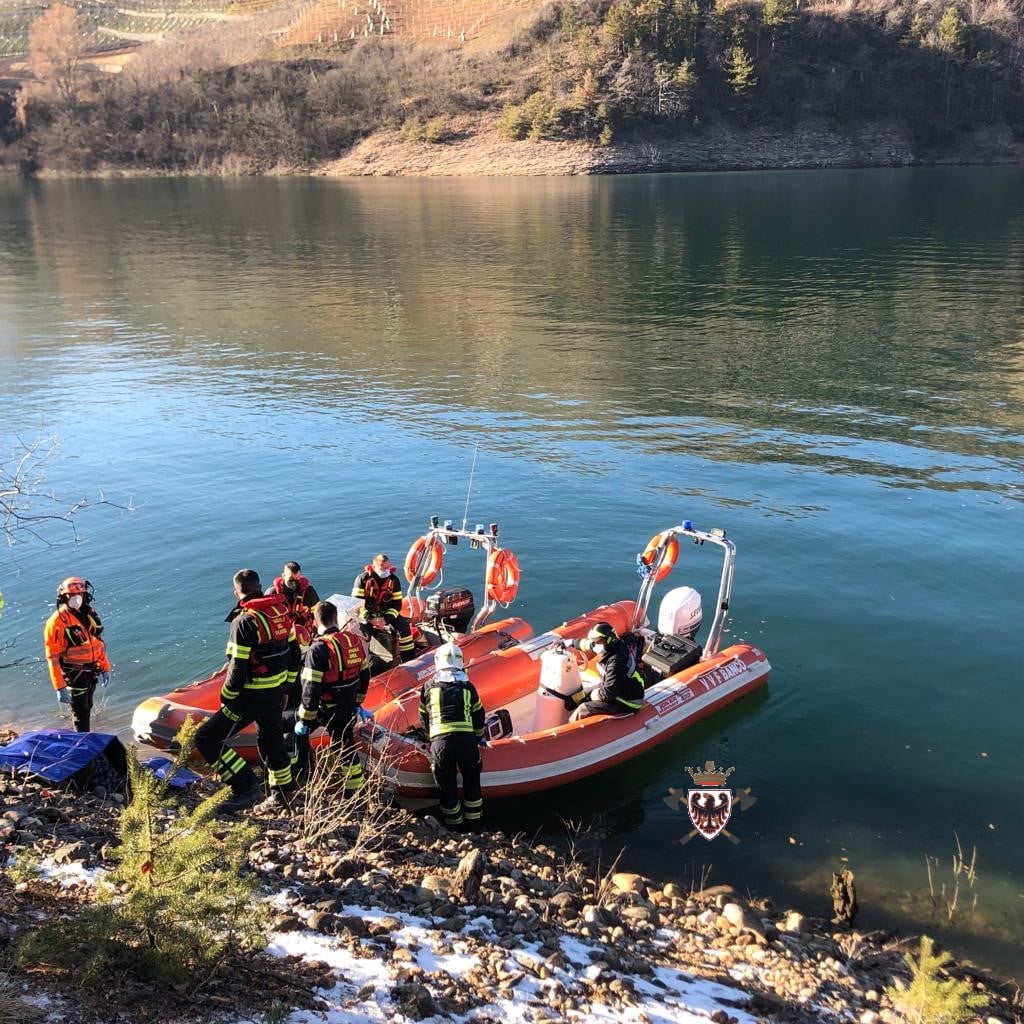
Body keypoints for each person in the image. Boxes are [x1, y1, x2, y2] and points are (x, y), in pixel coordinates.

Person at [194, 568, 300, 815]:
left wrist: (227, 698)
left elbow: (238, 667)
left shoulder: (244, 621)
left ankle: (246, 787)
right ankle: (283, 792)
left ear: (236, 592)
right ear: (260, 586)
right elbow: (295, 654)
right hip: (276, 692)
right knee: (271, 739)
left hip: (251, 695)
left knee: (207, 738)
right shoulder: (281, 612)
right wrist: (286, 688)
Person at [293, 600, 370, 795]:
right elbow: (365, 676)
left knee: (293, 732)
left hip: (327, 707)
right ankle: (354, 792)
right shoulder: (354, 642)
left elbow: (311, 687)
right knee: (345, 745)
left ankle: (302, 777)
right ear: (336, 618)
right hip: (348, 706)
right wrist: (357, 703)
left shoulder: (318, 649)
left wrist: (305, 719)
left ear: (315, 621)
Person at [418, 642, 485, 830]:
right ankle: (475, 827)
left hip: (441, 744)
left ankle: (454, 829)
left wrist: (428, 738)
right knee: (472, 784)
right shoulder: (468, 687)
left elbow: (423, 716)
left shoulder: (428, 687)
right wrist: (478, 738)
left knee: (446, 787)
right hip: (466, 743)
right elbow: (479, 715)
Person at [43, 577, 111, 732]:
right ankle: (81, 744)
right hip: (74, 673)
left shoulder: (89, 614)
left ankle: (84, 740)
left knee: (88, 707)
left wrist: (105, 667)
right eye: (72, 595)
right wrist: (59, 687)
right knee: (80, 712)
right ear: (64, 597)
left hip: (91, 670)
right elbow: (52, 657)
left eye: (80, 594)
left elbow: (97, 643)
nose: (77, 599)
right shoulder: (57, 622)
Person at [565, 621, 646, 722]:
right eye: (595, 641)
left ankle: (571, 729)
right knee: (581, 694)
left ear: (608, 640)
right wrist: (570, 643)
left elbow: (608, 693)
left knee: (583, 709)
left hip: (627, 701)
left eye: (598, 642)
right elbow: (589, 645)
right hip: (619, 689)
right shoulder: (613, 645)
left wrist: (589, 696)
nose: (595, 645)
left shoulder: (616, 662)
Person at [352, 553, 415, 663]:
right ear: (374, 567)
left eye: (388, 567)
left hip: (386, 614)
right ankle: (366, 666)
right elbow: (356, 605)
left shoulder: (394, 580)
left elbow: (397, 605)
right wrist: (370, 619)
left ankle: (409, 661)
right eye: (383, 568)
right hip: (367, 615)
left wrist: (386, 619)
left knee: (404, 628)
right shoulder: (362, 579)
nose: (386, 570)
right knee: (361, 636)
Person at [267, 562, 320, 645]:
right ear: (283, 575)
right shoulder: (272, 594)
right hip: (282, 633)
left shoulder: (308, 591)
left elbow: (318, 613)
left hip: (304, 632)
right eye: (291, 579)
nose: (294, 583)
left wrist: (316, 634)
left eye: (297, 579)